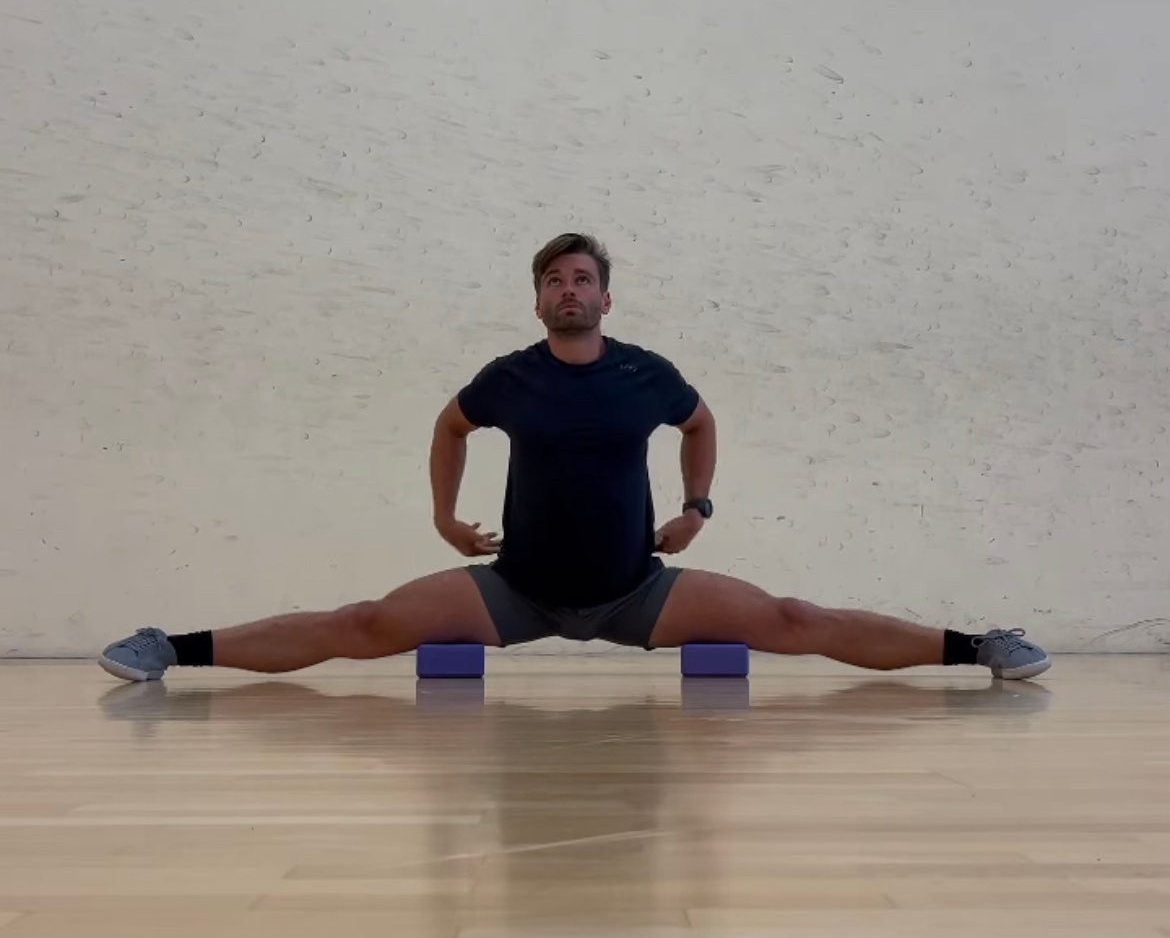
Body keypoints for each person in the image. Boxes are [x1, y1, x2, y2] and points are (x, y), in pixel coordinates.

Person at [98, 232, 1052, 684]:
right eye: (553, 280)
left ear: (605, 297)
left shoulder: (647, 374)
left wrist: (698, 508)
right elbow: (448, 428)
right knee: (364, 621)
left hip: (637, 588)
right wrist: (443, 517)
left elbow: (702, 425)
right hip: (515, 588)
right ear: (537, 300)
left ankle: (982, 647)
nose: (568, 290)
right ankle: (168, 648)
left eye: (582, 278)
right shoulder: (508, 377)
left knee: (795, 618)